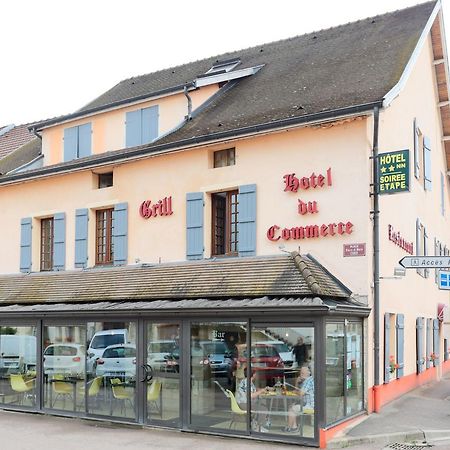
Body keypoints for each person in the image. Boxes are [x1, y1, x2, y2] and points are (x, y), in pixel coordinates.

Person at [285, 365, 314, 432]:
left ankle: (288, 428)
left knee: (292, 409)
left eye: (303, 372)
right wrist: (297, 382)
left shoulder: (308, 381)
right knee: (292, 406)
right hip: (306, 403)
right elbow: (298, 391)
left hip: (311, 406)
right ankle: (294, 427)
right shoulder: (306, 381)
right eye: (301, 372)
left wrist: (296, 391)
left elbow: (300, 393)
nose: (301, 374)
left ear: (309, 372)